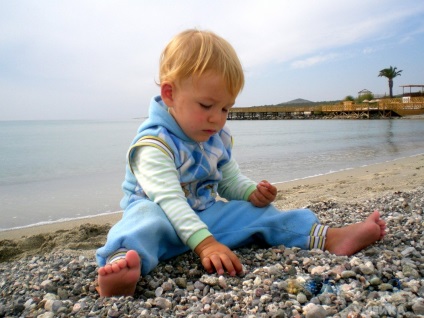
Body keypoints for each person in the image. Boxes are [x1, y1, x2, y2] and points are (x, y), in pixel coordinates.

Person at [96, 29, 386, 297]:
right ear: (170, 94)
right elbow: (169, 200)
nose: (217, 117)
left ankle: (328, 238)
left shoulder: (216, 137)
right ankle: (121, 269)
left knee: (258, 214)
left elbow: (228, 180)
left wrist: (250, 193)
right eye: (207, 106)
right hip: (162, 221)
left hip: (204, 218)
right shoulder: (153, 145)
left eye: (225, 108)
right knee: (140, 220)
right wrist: (207, 244)